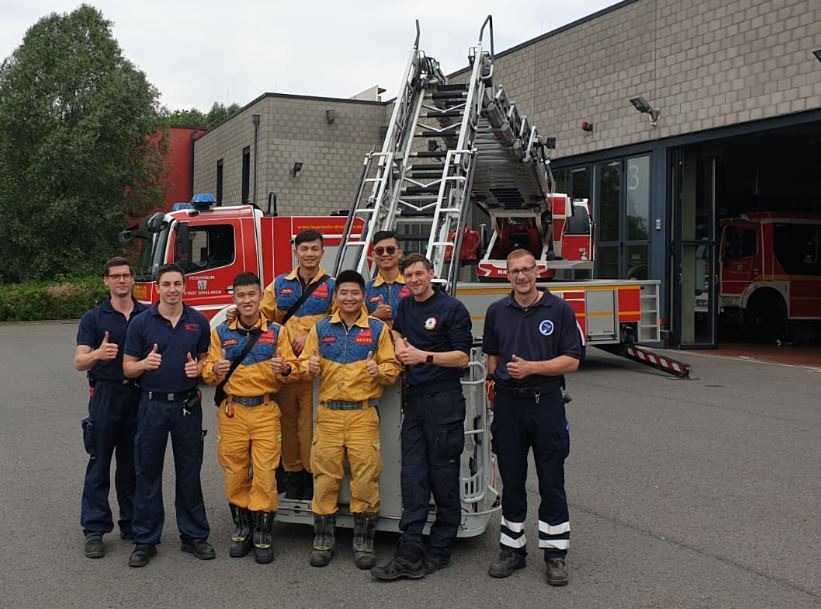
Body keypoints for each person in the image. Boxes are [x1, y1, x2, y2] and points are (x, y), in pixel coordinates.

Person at [481, 249, 581, 586]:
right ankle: (513, 550)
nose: (521, 277)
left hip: (546, 403)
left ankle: (555, 554)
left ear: (537, 271)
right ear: (506, 275)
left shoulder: (559, 309)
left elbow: (572, 361)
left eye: (526, 270)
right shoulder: (496, 312)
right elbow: (492, 360)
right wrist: (491, 384)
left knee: (552, 478)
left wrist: (531, 368)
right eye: (514, 272)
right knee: (511, 479)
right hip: (509, 406)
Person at [371, 254, 472, 581]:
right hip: (414, 401)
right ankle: (410, 549)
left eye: (419, 273)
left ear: (431, 273)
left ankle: (441, 549)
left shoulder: (452, 309)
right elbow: (398, 332)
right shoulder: (406, 307)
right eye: (409, 275)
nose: (414, 279)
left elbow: (461, 357)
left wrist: (422, 356)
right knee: (412, 476)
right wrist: (400, 341)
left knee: (442, 475)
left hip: (443, 401)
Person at [298, 270, 400, 570]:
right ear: (336, 296)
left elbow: (393, 368)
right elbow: (303, 364)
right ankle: (323, 539)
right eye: (344, 293)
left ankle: (364, 540)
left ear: (363, 296)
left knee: (366, 477)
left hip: (363, 414)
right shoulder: (320, 329)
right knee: (325, 476)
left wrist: (379, 372)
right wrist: (310, 365)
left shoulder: (378, 329)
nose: (349, 298)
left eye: (355, 293)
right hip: (328, 414)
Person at [202, 272, 297, 564]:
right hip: (233, 412)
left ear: (260, 297)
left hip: (266, 410)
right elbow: (207, 373)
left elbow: (291, 369)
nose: (247, 301)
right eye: (241, 296)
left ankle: (263, 532)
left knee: (266, 473)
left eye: (252, 295)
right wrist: (214, 371)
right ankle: (242, 528)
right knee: (235, 471)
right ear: (234, 299)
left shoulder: (278, 332)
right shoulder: (220, 333)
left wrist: (283, 369)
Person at [122, 263, 214, 568]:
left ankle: (194, 535)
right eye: (167, 284)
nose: (172, 289)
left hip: (187, 405)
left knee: (190, 470)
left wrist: (198, 370)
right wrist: (144, 365)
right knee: (147, 472)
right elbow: (127, 367)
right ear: (157, 288)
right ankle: (145, 539)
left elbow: (204, 359)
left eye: (177, 283)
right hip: (152, 406)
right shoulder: (141, 323)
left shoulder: (198, 322)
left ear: (184, 287)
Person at [74, 257, 149, 559]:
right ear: (105, 281)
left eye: (126, 275)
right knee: (99, 463)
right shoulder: (93, 319)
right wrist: (98, 354)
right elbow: (79, 361)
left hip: (139, 396)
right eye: (115, 276)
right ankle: (94, 529)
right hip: (105, 395)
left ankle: (131, 524)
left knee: (132, 466)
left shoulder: (147, 315)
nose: (121, 281)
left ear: (133, 280)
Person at [260, 229, 335, 500]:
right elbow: (262, 319)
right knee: (287, 426)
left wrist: (310, 333)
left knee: (312, 427)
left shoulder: (332, 286)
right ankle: (293, 476)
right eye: (304, 249)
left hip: (316, 373)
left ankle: (311, 474)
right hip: (285, 370)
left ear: (322, 252)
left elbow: (342, 319)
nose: (310, 254)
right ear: (296, 252)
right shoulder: (279, 285)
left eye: (315, 249)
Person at [365, 230, 409, 326]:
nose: (385, 254)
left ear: (400, 253)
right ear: (373, 255)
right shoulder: (366, 289)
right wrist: (374, 316)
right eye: (379, 251)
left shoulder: (412, 284)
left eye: (390, 250)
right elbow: (355, 324)